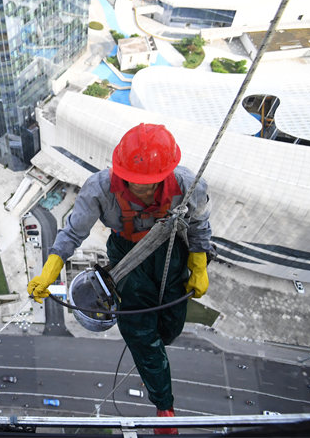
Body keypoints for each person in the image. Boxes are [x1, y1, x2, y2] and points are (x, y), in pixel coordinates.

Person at [28, 124, 211, 435]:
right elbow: (73, 231)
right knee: (140, 331)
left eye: (148, 183)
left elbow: (199, 224)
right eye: (133, 180)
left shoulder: (188, 185)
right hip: (127, 258)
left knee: (169, 328)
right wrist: (50, 269)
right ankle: (164, 406)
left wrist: (198, 262)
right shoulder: (99, 189)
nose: (139, 188)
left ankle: (153, 357)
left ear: (165, 175)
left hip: (170, 252)